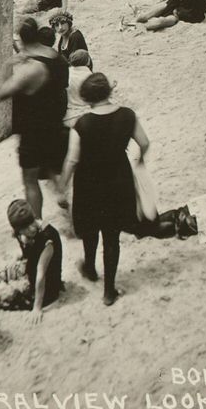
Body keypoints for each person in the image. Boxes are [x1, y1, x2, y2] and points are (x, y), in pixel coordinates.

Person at [58, 73, 145, 306]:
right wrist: (139, 159)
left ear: (87, 97)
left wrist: (62, 186)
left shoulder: (82, 124)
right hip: (118, 180)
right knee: (112, 235)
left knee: (90, 227)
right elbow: (144, 142)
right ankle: (109, 291)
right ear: (108, 92)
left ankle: (90, 267)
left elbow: (72, 160)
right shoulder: (127, 115)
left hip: (89, 183)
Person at [0, 17, 70, 220]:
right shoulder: (55, 57)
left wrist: (7, 66)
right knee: (52, 165)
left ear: (22, 40)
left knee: (30, 180)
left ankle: (37, 222)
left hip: (33, 131)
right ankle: (62, 194)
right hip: (55, 124)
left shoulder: (31, 69)